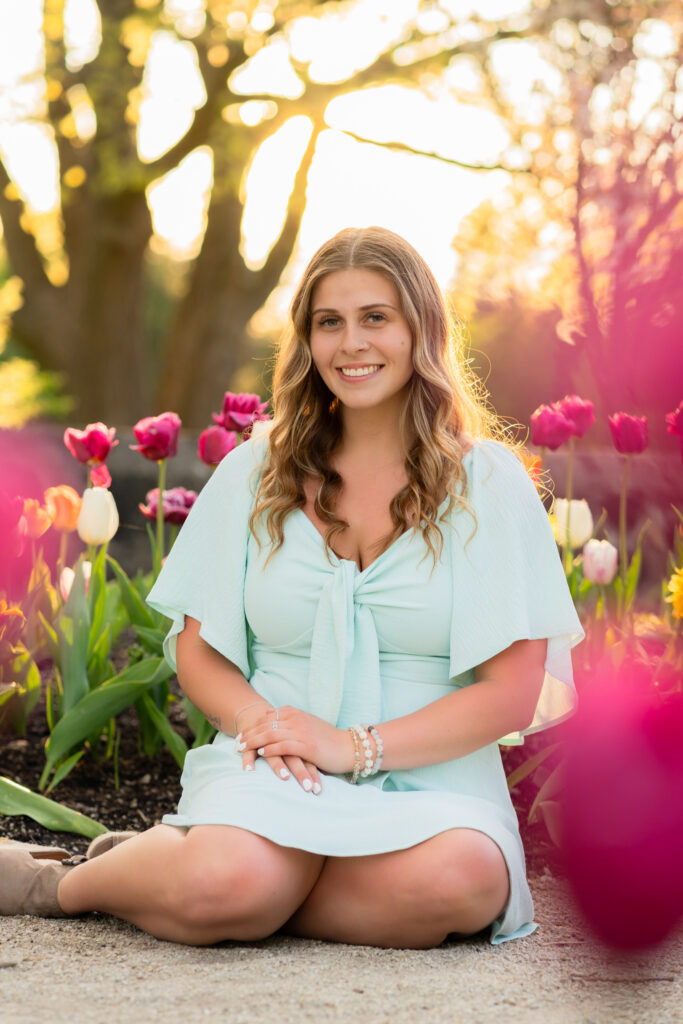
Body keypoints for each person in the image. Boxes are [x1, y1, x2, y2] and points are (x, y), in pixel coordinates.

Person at [1, 226, 584, 948]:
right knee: (230, 883)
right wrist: (261, 724)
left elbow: (510, 694)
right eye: (328, 322)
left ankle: (201, 881)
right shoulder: (257, 470)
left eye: (375, 317)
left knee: (457, 886)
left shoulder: (488, 482)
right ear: (306, 340)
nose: (351, 344)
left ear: (420, 329)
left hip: (432, 778)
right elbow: (200, 649)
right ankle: (61, 883)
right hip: (276, 759)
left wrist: (352, 747)